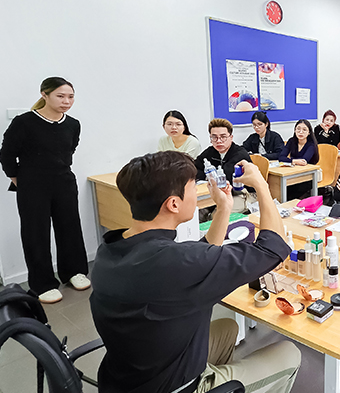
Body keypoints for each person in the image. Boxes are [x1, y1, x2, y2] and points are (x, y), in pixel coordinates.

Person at [90, 152, 300, 393]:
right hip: (175, 387)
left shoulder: (111, 249)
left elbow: (197, 256)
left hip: (130, 375)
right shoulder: (179, 262)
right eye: (193, 186)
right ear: (173, 203)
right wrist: (262, 185)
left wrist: (223, 208)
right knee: (289, 354)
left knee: (228, 329)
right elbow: (274, 249)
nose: (199, 190)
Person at [0, 77, 90, 304]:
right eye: (60, 96)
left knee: (70, 226)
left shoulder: (72, 124)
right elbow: (7, 154)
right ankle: (42, 283)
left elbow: (70, 149)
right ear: (44, 95)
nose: (66, 101)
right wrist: (20, 180)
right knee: (35, 232)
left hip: (64, 182)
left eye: (70, 97)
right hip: (32, 185)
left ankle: (73, 272)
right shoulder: (24, 123)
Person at [194, 118, 251, 185]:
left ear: (231, 138)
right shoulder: (210, 151)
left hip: (241, 192)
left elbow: (227, 177)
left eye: (223, 137)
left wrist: (209, 176)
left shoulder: (240, 154)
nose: (218, 141)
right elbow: (194, 169)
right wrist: (208, 177)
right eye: (214, 137)